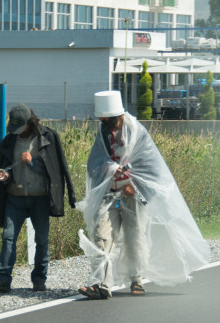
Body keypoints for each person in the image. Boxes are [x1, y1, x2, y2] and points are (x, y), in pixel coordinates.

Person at [76, 91, 210, 299]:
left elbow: (151, 168)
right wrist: (111, 168)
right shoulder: (103, 133)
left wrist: (134, 185)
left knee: (134, 237)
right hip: (109, 193)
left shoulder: (137, 133)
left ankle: (136, 279)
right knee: (102, 237)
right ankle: (101, 284)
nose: (103, 122)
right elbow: (95, 163)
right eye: (101, 119)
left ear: (117, 116)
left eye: (106, 119)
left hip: (133, 195)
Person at [0, 103, 77, 293]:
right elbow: (4, 165)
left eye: (22, 128)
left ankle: (39, 280)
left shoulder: (48, 137)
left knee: (42, 240)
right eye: (15, 129)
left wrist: (33, 162)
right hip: (14, 197)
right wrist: (2, 175)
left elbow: (55, 171)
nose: (18, 133)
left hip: (40, 199)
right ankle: (3, 279)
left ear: (30, 123)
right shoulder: (9, 140)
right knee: (8, 238)